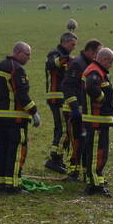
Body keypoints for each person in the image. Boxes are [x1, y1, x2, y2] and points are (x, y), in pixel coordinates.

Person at [0, 42, 40, 194]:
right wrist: (34, 111)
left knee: (1, 149)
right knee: (16, 151)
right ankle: (13, 185)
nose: (29, 59)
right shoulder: (17, 69)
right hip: (16, 119)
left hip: (0, 116)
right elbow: (21, 95)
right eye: (27, 54)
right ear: (17, 52)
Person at [60, 39, 102, 182]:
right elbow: (67, 86)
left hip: (84, 111)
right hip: (73, 111)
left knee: (83, 141)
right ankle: (72, 172)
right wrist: (74, 108)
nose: (97, 57)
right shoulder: (78, 64)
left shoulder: (89, 64)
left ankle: (83, 171)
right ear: (89, 51)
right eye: (96, 54)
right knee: (75, 141)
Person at [81, 47, 113, 196]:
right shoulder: (95, 72)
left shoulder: (97, 70)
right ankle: (95, 184)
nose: (111, 65)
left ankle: (95, 179)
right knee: (98, 152)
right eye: (110, 62)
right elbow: (90, 87)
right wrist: (102, 99)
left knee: (96, 151)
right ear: (103, 59)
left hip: (98, 120)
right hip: (96, 120)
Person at [44, 32, 78, 174]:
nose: (74, 47)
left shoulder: (62, 54)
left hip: (62, 96)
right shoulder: (54, 53)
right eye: (72, 44)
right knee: (63, 128)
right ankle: (55, 159)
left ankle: (57, 158)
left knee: (61, 127)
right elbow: (52, 64)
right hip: (57, 97)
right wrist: (68, 59)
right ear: (64, 42)